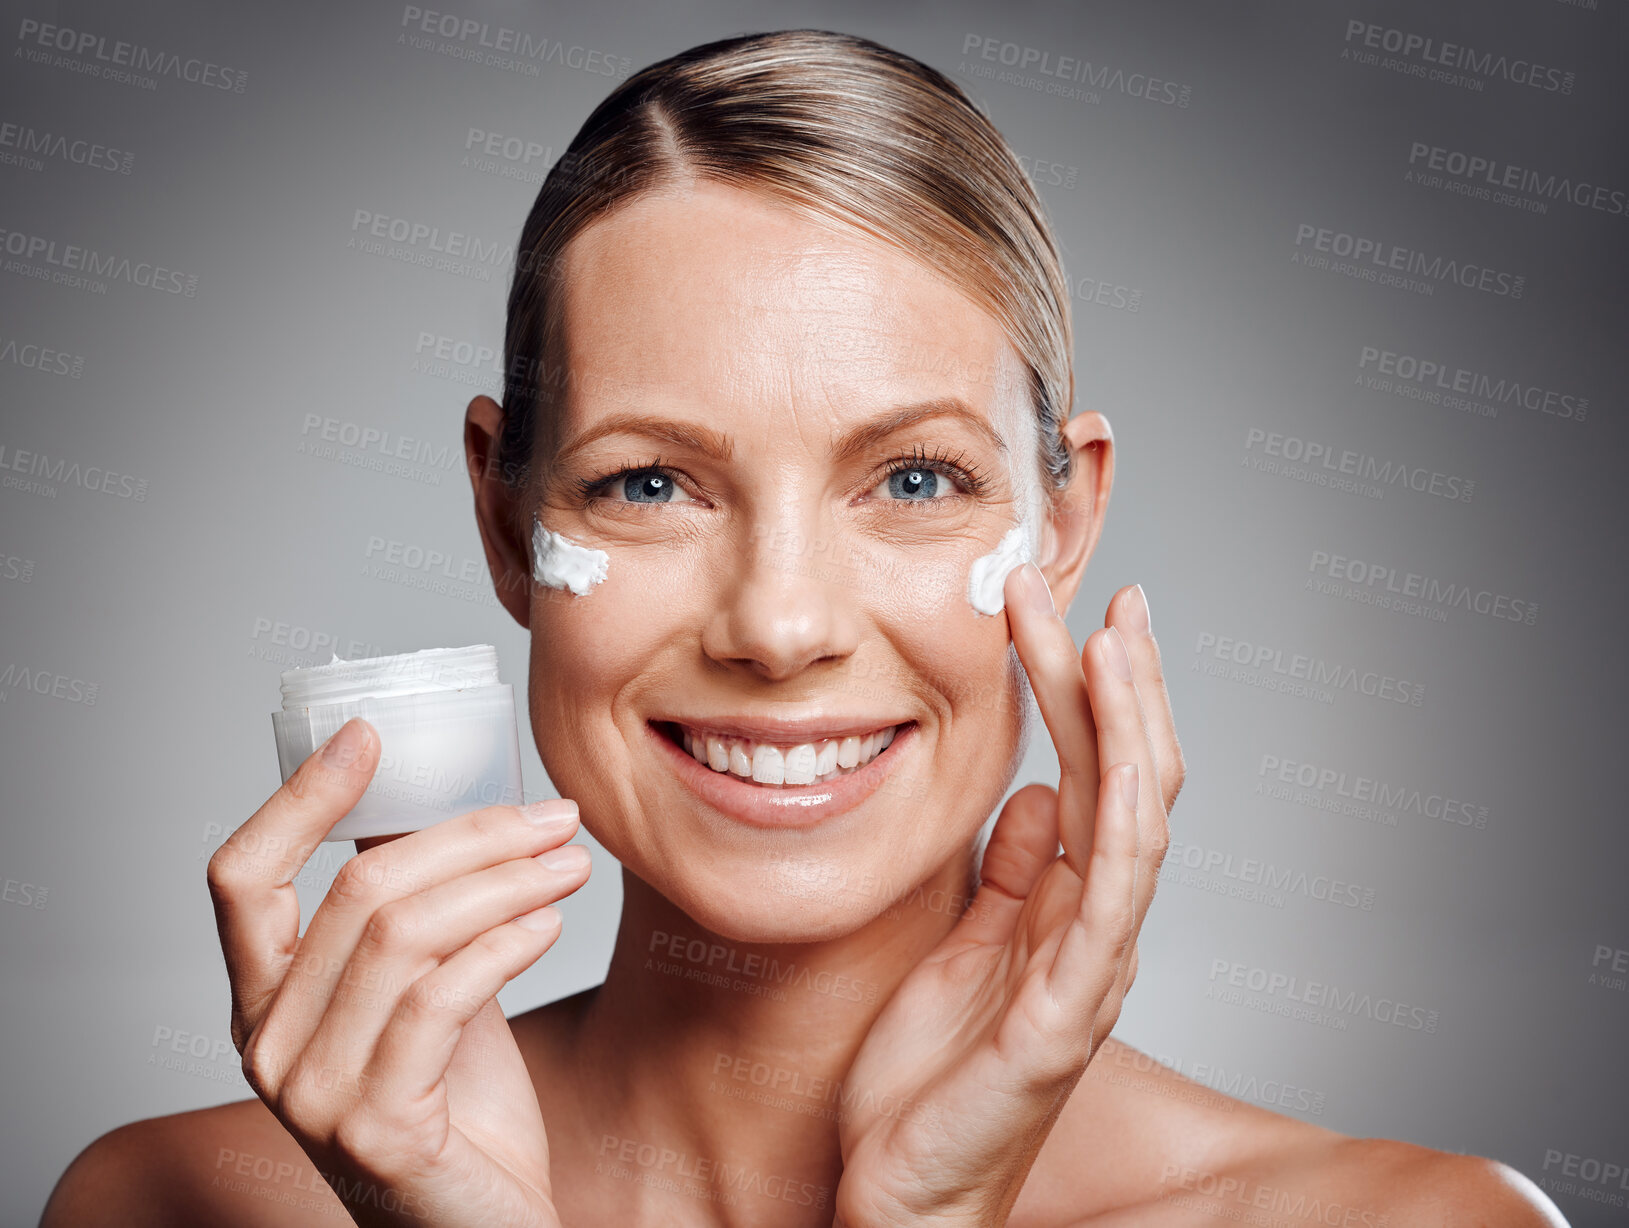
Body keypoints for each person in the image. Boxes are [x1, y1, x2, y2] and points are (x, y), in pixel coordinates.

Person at [42, 29, 1565, 1227]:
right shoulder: (174, 1208)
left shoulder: (1412, 1221)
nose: (777, 625)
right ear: (505, 519)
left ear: (1065, 519)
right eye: (648, 481)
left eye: (912, 478)